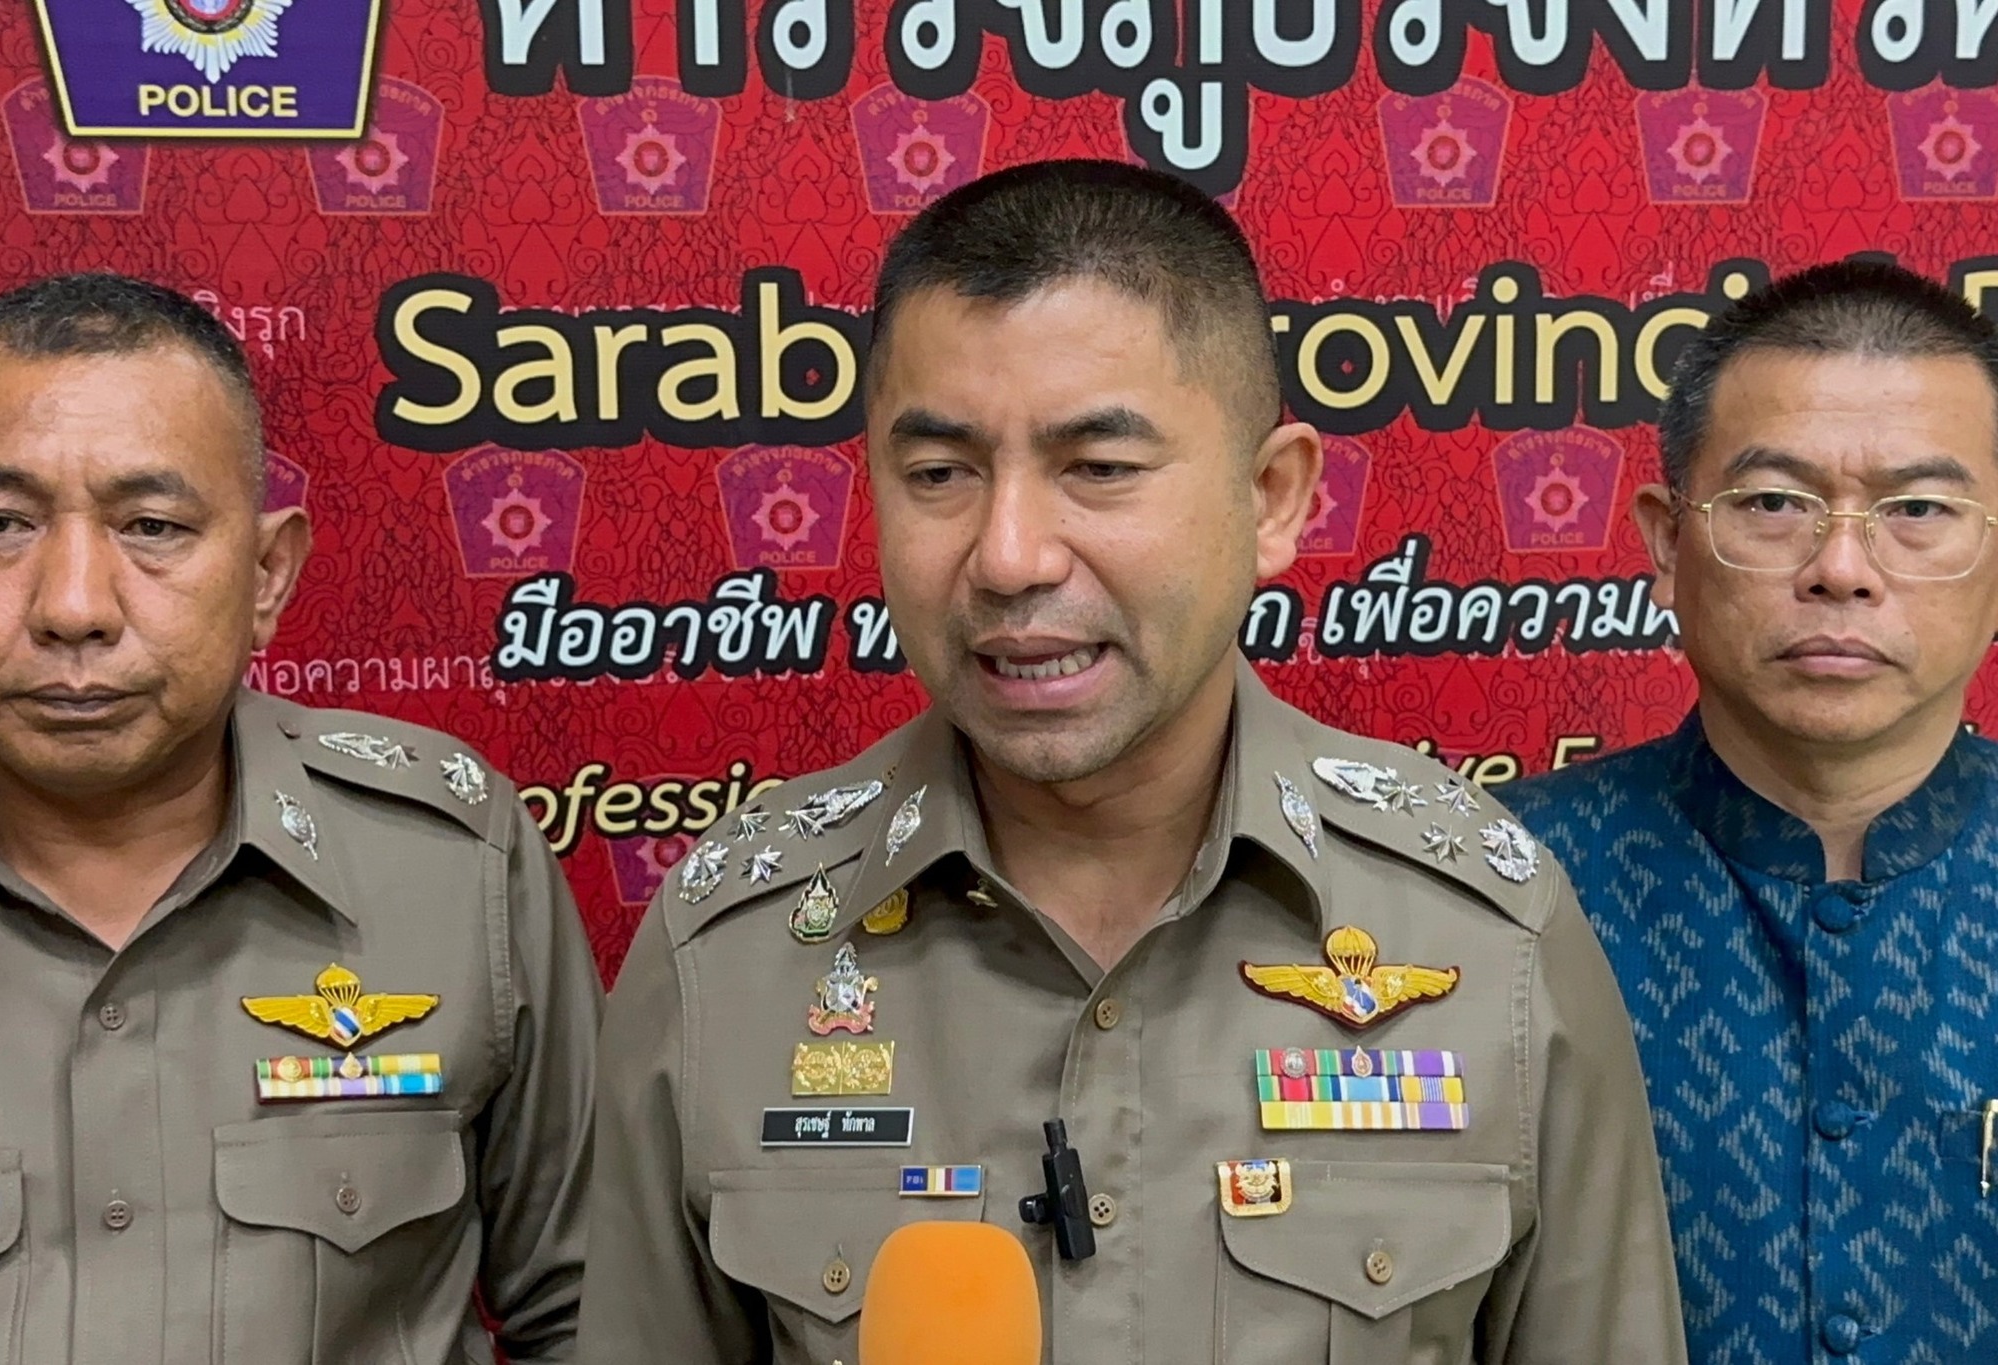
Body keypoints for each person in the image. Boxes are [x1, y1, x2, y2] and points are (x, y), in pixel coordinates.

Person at [581, 160, 1686, 1363]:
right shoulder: (732, 949)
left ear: (1272, 499)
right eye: (939, 475)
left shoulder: (1484, 934)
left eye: (1097, 469)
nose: (1009, 556)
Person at [0, 273, 597, 1363]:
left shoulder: (450, 864)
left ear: (266, 576)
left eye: (151, 526)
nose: (73, 606)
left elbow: (592, 1312)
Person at [1501, 259, 1998, 1363]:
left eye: (1918, 509)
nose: (1841, 569)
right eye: (1773, 503)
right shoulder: (1492, 882)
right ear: (1665, 542)